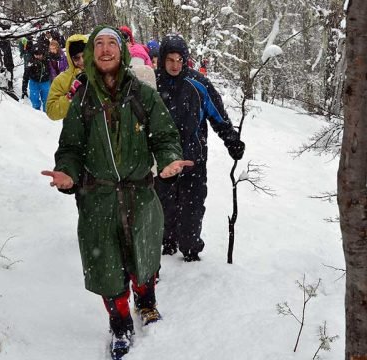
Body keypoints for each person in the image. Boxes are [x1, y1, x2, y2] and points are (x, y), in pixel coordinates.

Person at [41, 25, 193, 359]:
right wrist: (66, 171)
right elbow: (70, 147)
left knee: (144, 253)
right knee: (108, 265)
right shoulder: (81, 98)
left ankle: (147, 303)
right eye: (99, 44)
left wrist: (168, 161)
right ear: (92, 53)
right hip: (99, 198)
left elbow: (165, 136)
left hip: (140, 192)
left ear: (121, 51)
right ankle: (120, 324)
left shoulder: (143, 94)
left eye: (112, 43)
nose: (106, 50)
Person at [155, 33, 245, 262]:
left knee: (192, 213)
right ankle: (167, 242)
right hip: (162, 164)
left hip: (194, 161)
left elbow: (218, 116)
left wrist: (231, 140)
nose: (175, 65)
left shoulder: (198, 84)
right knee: (164, 209)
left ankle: (191, 248)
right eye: (170, 60)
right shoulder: (152, 85)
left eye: (179, 60)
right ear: (162, 60)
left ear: (185, 60)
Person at [46, 34, 88, 120]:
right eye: (76, 58)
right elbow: (51, 111)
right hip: (77, 129)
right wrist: (71, 96)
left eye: (84, 56)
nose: (82, 61)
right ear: (70, 58)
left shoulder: (101, 71)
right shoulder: (61, 80)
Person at [23, 39, 51, 111]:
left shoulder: (47, 60)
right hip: (34, 82)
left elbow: (53, 71)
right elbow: (26, 74)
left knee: (46, 100)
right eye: (36, 55)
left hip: (45, 82)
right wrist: (24, 88)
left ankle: (46, 114)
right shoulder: (31, 62)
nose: (38, 56)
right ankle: (36, 114)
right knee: (34, 100)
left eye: (39, 54)